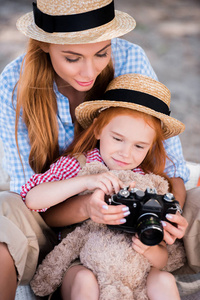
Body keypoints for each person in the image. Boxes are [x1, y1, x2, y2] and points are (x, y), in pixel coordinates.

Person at [0, 0, 193, 299]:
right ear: (44, 45)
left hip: (138, 239)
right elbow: (29, 199)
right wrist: (88, 205)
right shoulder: (14, 82)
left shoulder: (131, 59)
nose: (89, 71)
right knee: (2, 210)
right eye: (72, 57)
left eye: (101, 53)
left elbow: (171, 169)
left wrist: (167, 218)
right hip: (55, 222)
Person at [22, 73, 183, 300]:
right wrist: (86, 181)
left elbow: (163, 259)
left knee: (164, 279)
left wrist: (148, 245)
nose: (125, 153)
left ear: (150, 147)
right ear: (98, 129)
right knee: (84, 280)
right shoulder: (80, 164)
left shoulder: (150, 182)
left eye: (139, 146)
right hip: (82, 259)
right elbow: (32, 198)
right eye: (117, 139)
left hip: (134, 269)